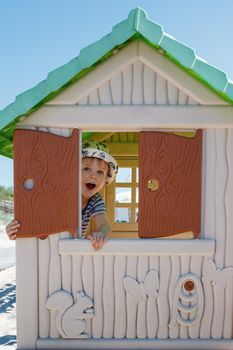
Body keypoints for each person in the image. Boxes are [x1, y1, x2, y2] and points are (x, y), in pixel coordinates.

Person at [6, 140, 118, 250]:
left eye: (100, 172)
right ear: (72, 172)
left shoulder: (95, 200)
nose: (93, 176)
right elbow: (35, 214)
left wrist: (101, 232)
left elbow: (104, 224)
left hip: (70, 249)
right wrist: (16, 228)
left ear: (105, 182)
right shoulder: (60, 192)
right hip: (45, 245)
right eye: (86, 169)